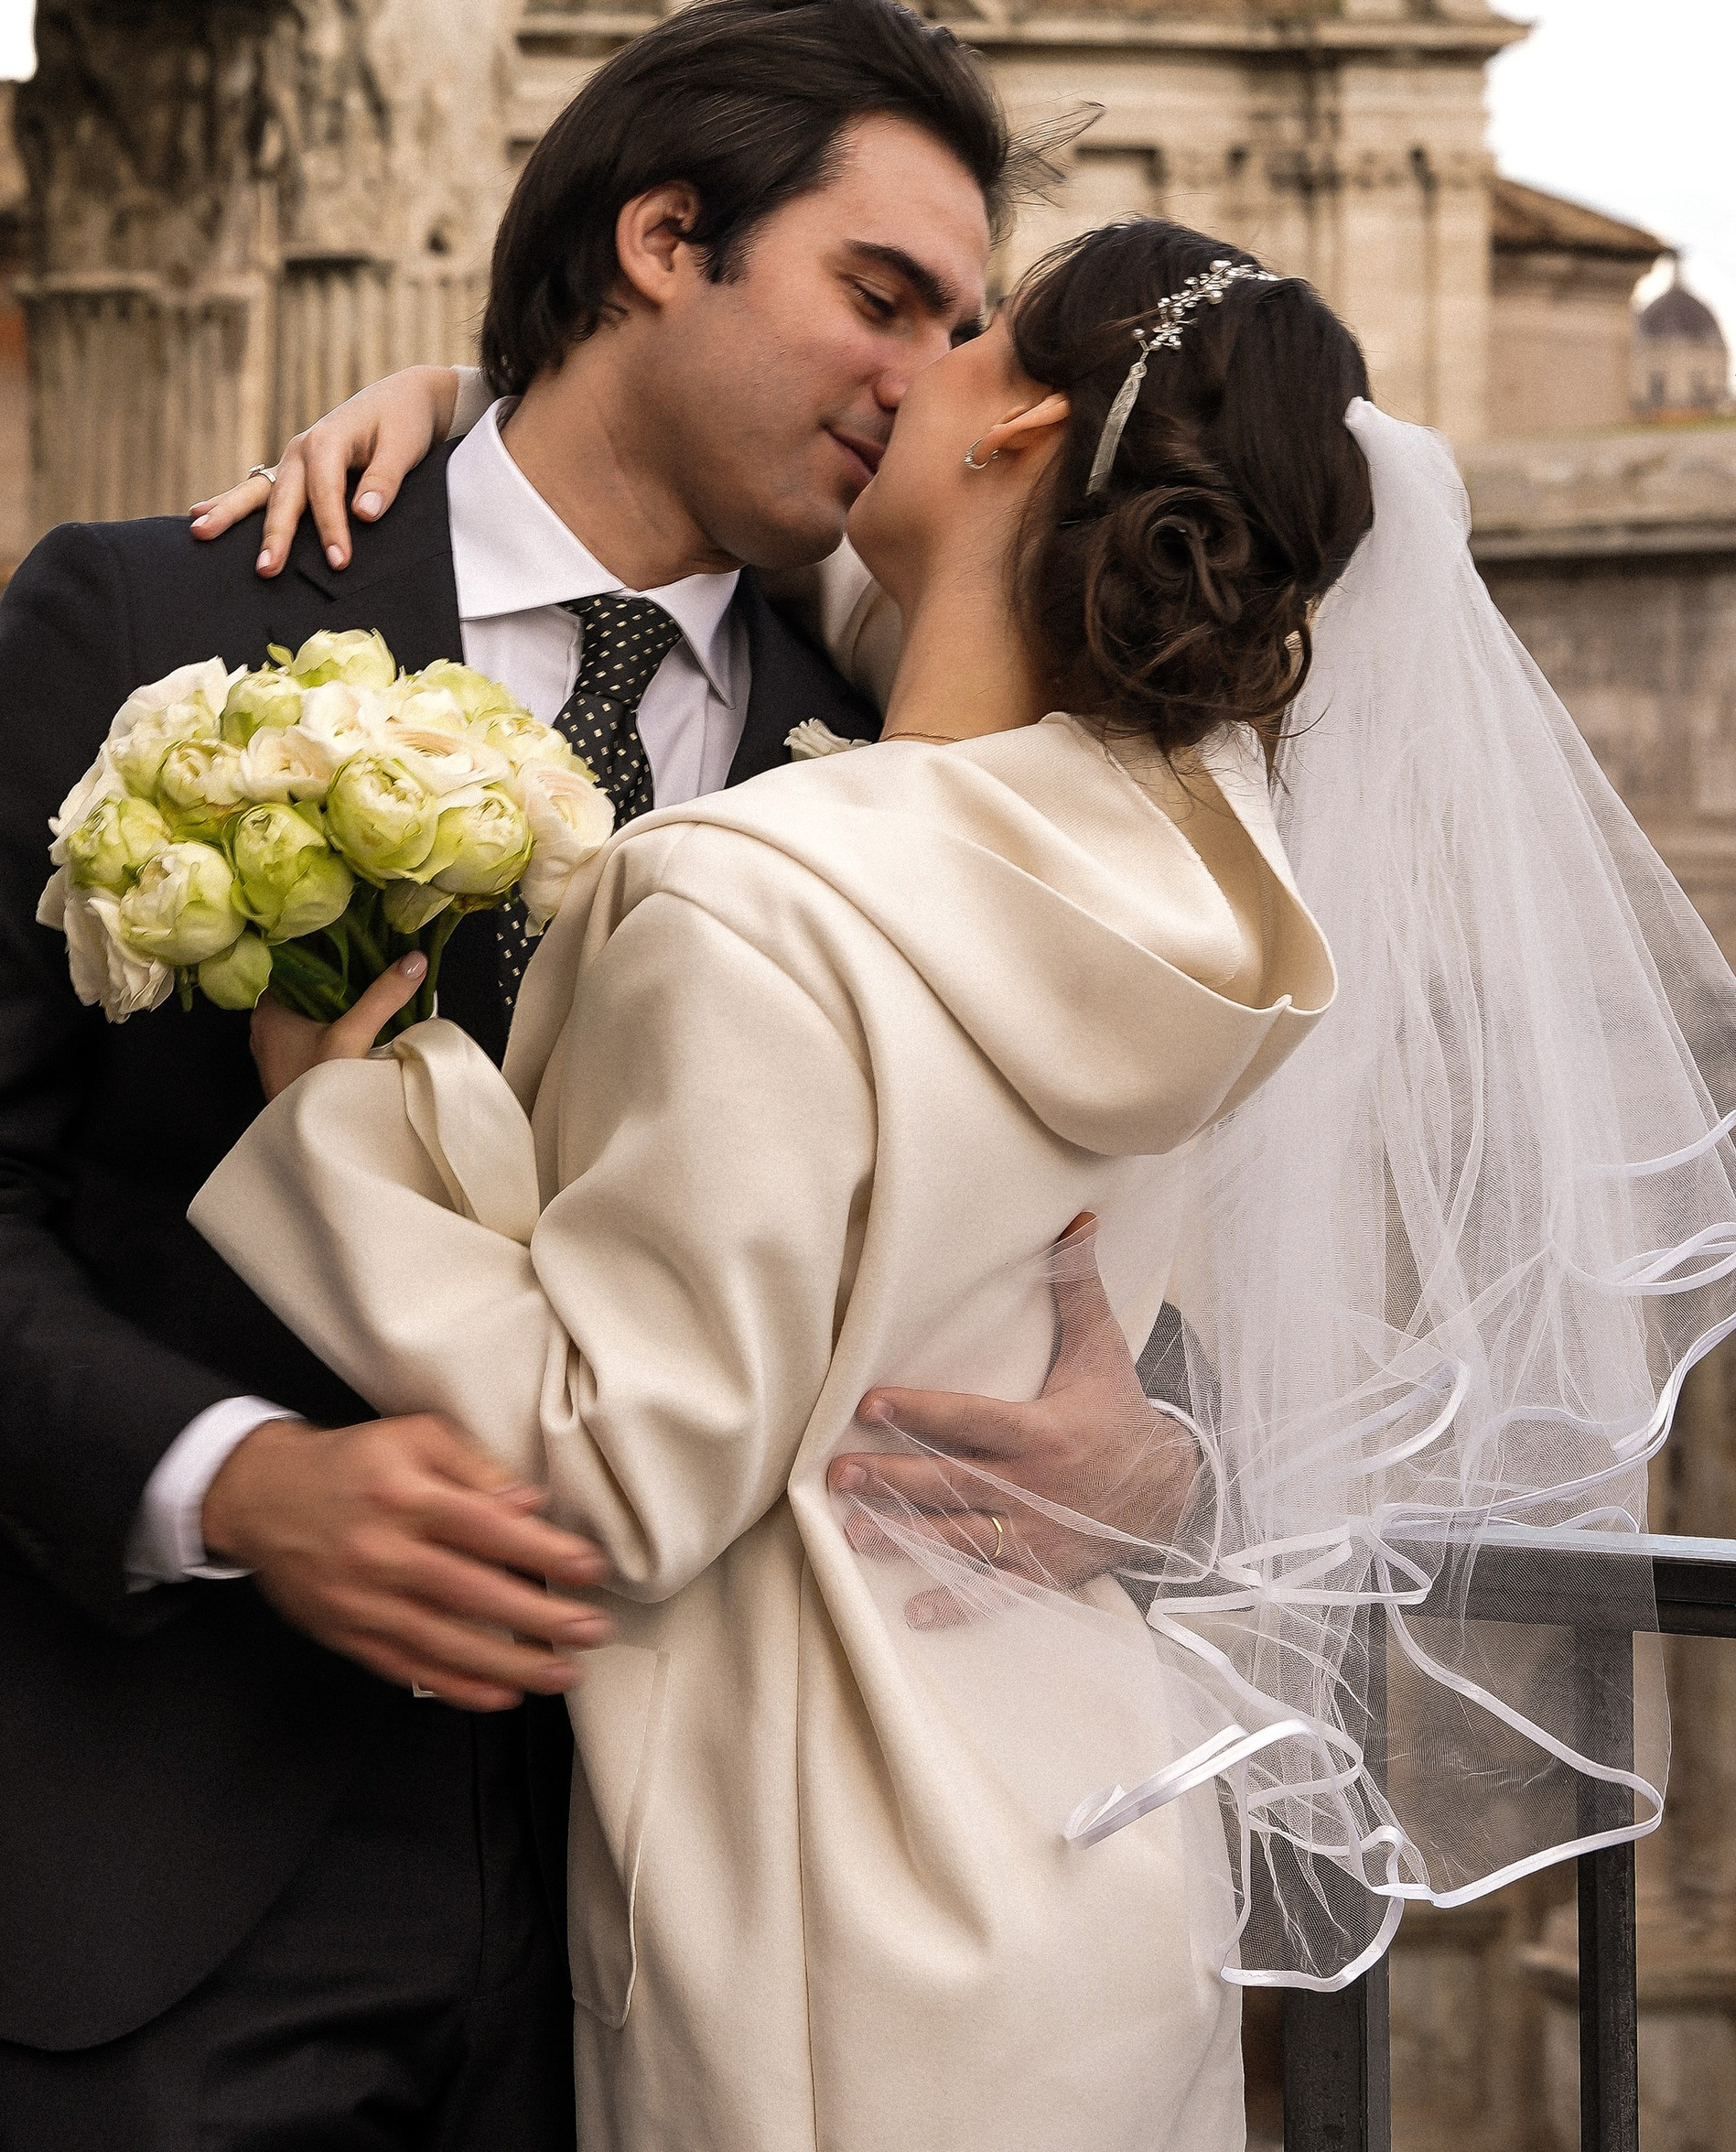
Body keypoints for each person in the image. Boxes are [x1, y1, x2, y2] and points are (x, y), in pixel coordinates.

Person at [0, 0, 1198, 2152]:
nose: (926, 385)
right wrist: (232, 1481)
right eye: (879, 295)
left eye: (962, 331)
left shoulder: (911, 747)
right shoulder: (160, 623)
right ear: (661, 239)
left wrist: (1164, 1459)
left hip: (710, 1913)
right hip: (185, 1864)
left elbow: (1120, 1231)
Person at [192, 221, 1367, 2152]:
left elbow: (613, 1473)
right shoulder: (1202, 888)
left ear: (1024, 430)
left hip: (825, 1898)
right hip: (1099, 1836)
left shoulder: (757, 898)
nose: (901, 374)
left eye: (966, 337)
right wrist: (483, 415)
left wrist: (340, 1130)